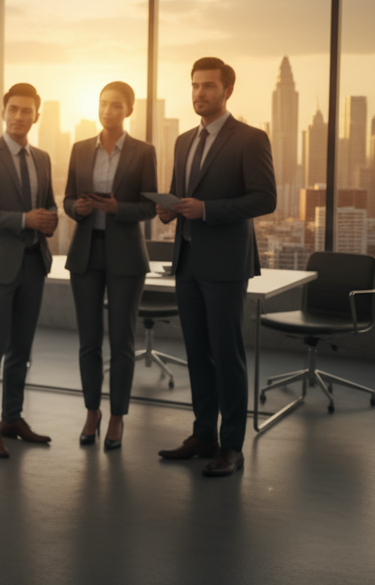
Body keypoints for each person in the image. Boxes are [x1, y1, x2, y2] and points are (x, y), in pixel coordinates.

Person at [155, 57, 276, 477]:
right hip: (186, 262)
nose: (199, 93)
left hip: (225, 264)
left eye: (208, 86)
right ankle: (203, 434)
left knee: (227, 356)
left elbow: (264, 199)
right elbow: (181, 192)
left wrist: (207, 209)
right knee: (196, 354)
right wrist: (171, 209)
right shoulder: (184, 141)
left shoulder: (250, 139)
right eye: (194, 86)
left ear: (227, 91)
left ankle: (232, 446)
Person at [0, 83, 58, 458]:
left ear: (37, 114)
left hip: (34, 264)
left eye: (26, 110)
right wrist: (23, 219)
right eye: (13, 109)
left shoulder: (44, 158)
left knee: (21, 350)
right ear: (3, 112)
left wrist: (48, 219)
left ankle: (12, 418)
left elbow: (46, 204)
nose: (19, 117)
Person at [63, 81, 157, 451]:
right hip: (85, 253)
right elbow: (68, 197)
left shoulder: (143, 152)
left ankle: (117, 416)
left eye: (116, 105)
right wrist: (78, 208)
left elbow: (150, 207)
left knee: (121, 342)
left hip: (126, 255)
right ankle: (92, 411)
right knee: (88, 342)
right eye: (103, 104)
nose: (108, 110)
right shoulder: (79, 148)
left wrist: (118, 208)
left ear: (129, 110)